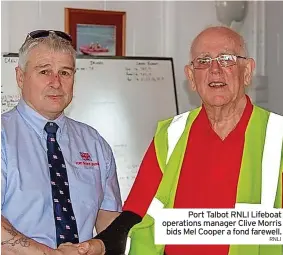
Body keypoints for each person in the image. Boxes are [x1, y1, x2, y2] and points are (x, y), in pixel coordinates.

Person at [75, 26, 283, 255]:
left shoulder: (278, 136)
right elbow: (136, 214)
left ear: (247, 71)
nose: (215, 70)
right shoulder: (170, 135)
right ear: (192, 77)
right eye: (203, 61)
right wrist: (98, 245)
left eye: (226, 59)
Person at [1, 30, 122, 255]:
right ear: (20, 77)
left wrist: (97, 248)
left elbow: (112, 226)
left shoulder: (94, 143)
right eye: (44, 71)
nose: (56, 83)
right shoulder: (2, 136)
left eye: (65, 72)